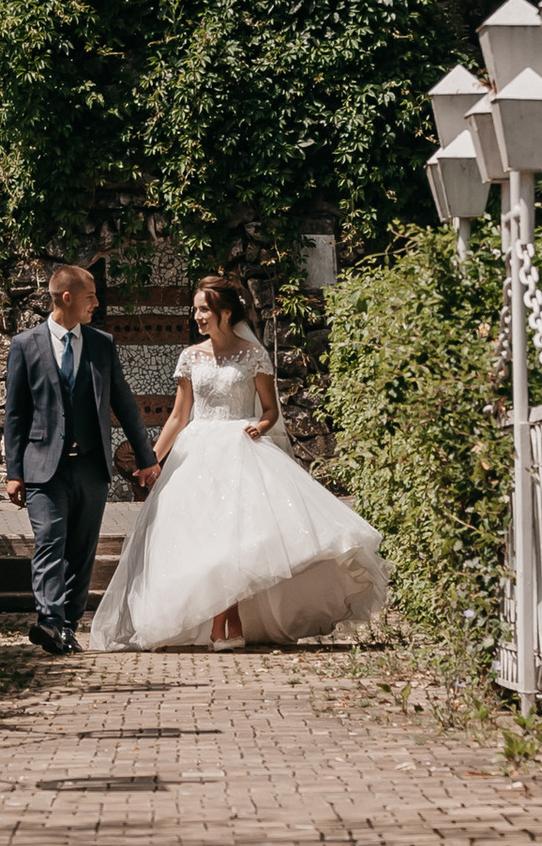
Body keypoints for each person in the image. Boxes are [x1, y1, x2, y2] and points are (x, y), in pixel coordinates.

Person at [93, 274, 389, 652]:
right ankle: (225, 625)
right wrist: (152, 460)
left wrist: (259, 427)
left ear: (225, 312)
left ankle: (222, 627)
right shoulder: (190, 357)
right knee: (206, 541)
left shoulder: (253, 355)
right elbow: (178, 417)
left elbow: (270, 410)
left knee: (234, 541)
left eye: (204, 309)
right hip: (196, 453)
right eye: (195, 309)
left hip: (239, 449)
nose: (197, 316)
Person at [0, 263, 158, 656]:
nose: (96, 304)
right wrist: (14, 473)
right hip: (43, 467)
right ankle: (49, 620)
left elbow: (125, 404)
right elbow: (15, 414)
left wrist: (147, 458)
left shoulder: (102, 344)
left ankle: (67, 627)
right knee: (49, 542)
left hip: (90, 466)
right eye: (91, 297)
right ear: (67, 298)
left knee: (82, 550)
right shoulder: (25, 344)